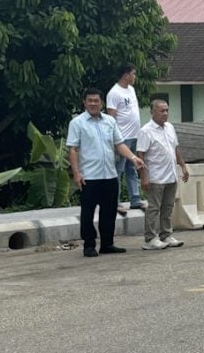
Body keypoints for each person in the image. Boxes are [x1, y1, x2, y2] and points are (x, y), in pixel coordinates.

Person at [68, 87, 145, 258]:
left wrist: (133, 158)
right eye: (90, 100)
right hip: (89, 176)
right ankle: (89, 245)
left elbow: (119, 144)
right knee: (87, 213)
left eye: (96, 100)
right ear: (84, 102)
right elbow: (73, 149)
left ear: (101, 102)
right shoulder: (77, 123)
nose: (93, 103)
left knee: (109, 212)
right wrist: (76, 173)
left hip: (110, 175)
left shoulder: (110, 121)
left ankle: (107, 244)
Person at [137, 99, 189, 250]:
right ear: (152, 112)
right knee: (153, 208)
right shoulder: (146, 131)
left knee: (168, 207)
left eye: (167, 110)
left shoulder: (170, 127)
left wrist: (183, 166)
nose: (165, 113)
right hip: (156, 176)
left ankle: (166, 234)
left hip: (171, 175)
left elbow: (175, 149)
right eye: (161, 110)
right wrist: (144, 176)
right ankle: (150, 239)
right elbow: (141, 154)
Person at [107, 64, 145, 213]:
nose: (135, 77)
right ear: (126, 75)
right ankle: (114, 201)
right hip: (122, 138)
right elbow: (111, 117)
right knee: (118, 170)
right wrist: (114, 140)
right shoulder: (114, 93)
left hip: (135, 135)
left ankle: (135, 199)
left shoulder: (131, 90)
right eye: (133, 74)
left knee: (132, 168)